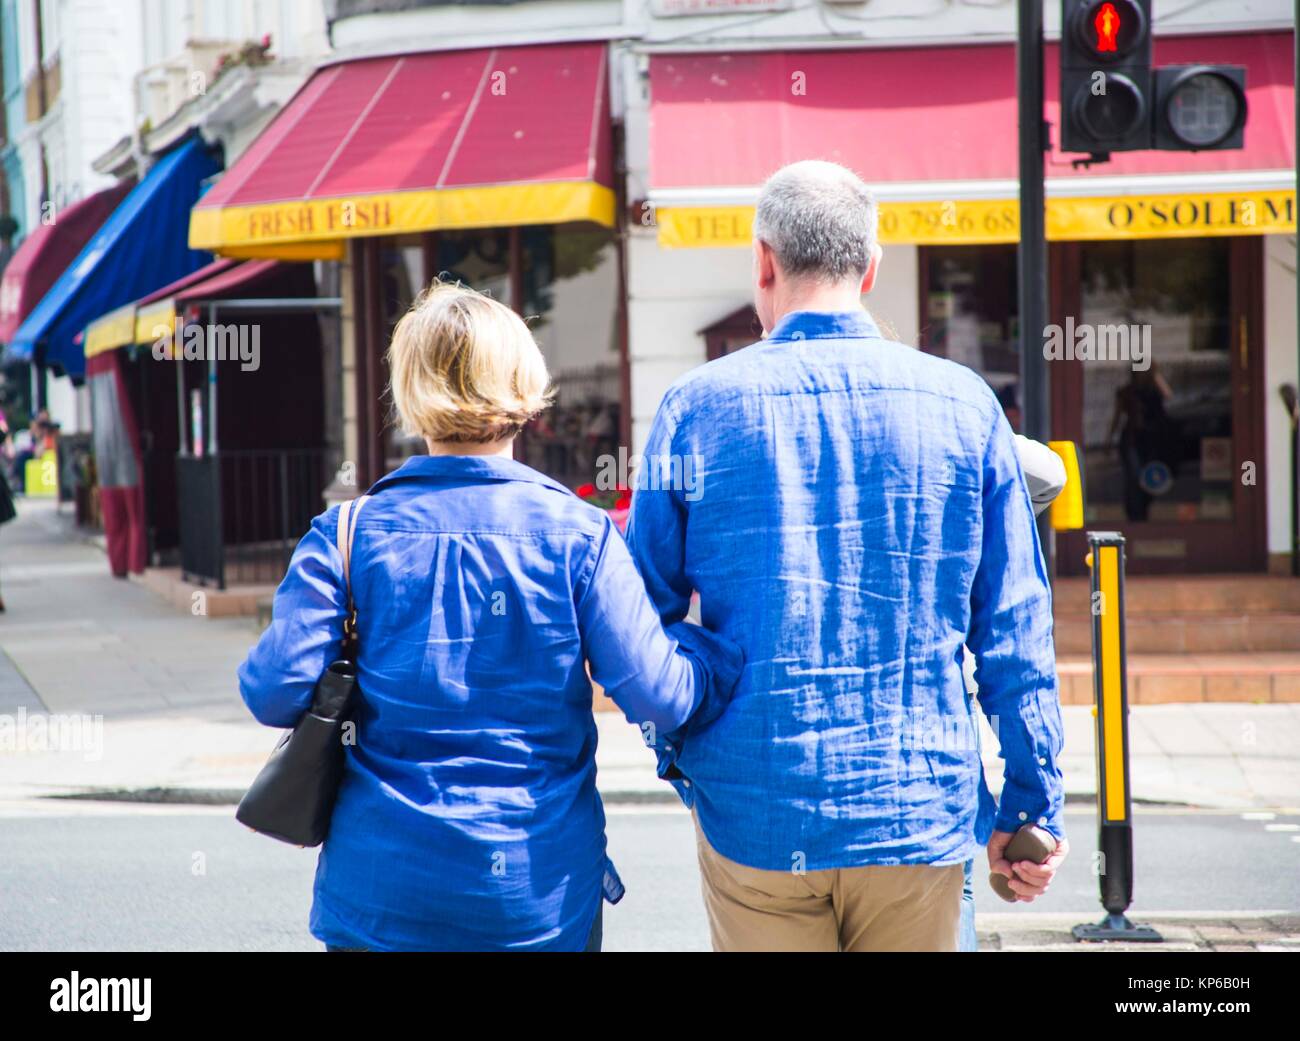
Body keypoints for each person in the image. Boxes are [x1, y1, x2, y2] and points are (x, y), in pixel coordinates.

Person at [626, 160, 1068, 952]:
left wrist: (681, 747)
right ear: (871, 268)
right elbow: (1014, 629)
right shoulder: (964, 405)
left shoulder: (695, 408)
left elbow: (637, 623)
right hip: (914, 812)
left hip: (757, 810)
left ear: (764, 261)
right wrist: (1030, 805)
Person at [238, 283, 742, 952]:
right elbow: (661, 694)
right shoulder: (580, 536)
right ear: (524, 383)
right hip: (536, 897)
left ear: (411, 391)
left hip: (384, 894)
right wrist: (710, 653)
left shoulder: (347, 535)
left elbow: (273, 691)